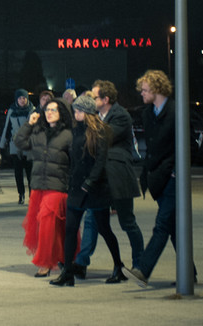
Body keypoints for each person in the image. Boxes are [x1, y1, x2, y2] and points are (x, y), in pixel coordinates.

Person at [126, 70, 197, 288]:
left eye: (145, 90)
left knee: (162, 224)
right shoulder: (148, 113)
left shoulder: (176, 111)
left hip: (173, 177)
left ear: (156, 89)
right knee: (174, 228)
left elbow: (189, 142)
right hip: (158, 176)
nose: (142, 94)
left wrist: (176, 170)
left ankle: (143, 270)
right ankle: (189, 273)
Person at [50, 94, 126, 287]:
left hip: (95, 189)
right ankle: (68, 272)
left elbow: (100, 161)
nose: (75, 114)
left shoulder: (100, 132)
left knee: (104, 229)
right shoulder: (76, 131)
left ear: (87, 113)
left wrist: (89, 183)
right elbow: (74, 160)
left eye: (78, 111)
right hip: (76, 188)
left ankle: (119, 266)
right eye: (75, 110)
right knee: (70, 229)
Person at [73, 80, 143, 280]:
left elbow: (104, 137)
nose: (91, 101)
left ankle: (138, 264)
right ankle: (81, 262)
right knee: (92, 220)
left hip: (118, 176)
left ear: (106, 99)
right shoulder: (96, 116)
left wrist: (87, 123)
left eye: (94, 97)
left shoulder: (121, 116)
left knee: (127, 222)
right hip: (101, 176)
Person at [15, 98, 73, 277]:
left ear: (61, 113)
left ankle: (45, 262)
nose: (49, 113)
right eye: (47, 110)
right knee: (48, 226)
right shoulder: (38, 132)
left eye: (54, 110)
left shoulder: (68, 135)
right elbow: (19, 142)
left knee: (48, 223)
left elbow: (75, 161)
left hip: (57, 187)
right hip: (38, 186)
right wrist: (28, 123)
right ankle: (62, 256)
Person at [0, 89, 35, 204]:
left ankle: (32, 195)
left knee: (30, 172)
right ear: (16, 99)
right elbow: (7, 127)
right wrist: (2, 143)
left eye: (24, 98)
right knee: (18, 172)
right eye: (20, 98)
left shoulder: (32, 111)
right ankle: (21, 194)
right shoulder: (11, 111)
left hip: (29, 144)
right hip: (15, 144)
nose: (22, 100)